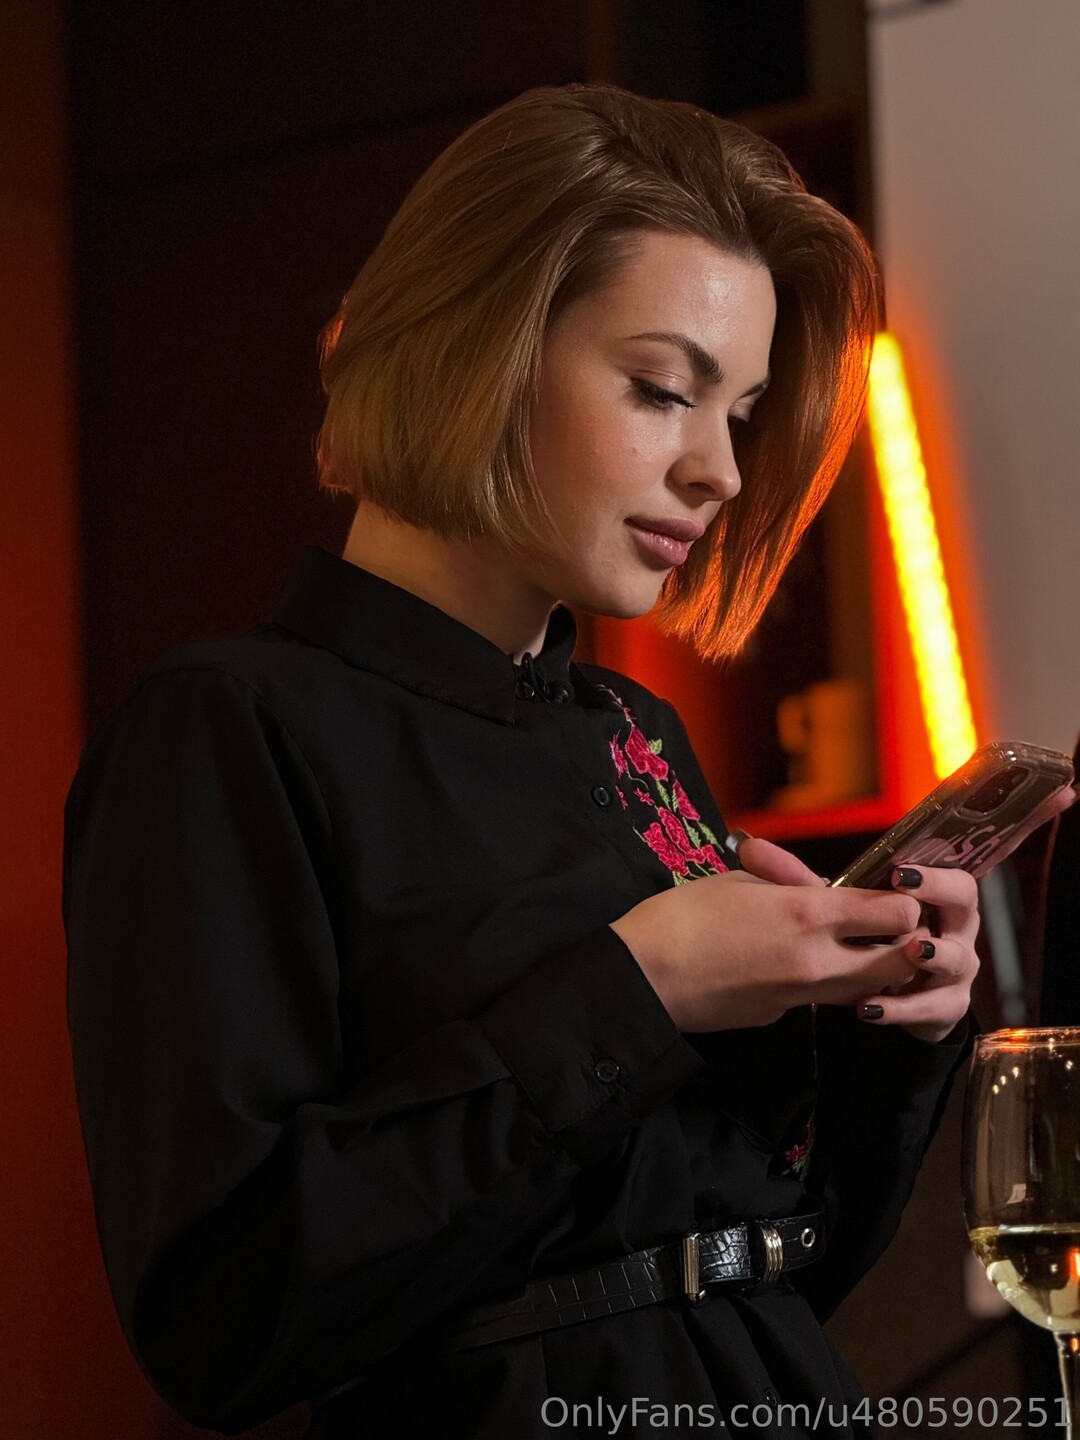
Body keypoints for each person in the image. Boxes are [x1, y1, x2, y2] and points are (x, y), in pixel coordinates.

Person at [63, 85, 985, 1439]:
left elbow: (772, 1265)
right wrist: (642, 989)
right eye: (664, 390)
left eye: (740, 413)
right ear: (475, 350)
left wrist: (891, 1028)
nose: (724, 471)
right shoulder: (228, 728)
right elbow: (220, 1319)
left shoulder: (639, 737)